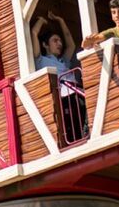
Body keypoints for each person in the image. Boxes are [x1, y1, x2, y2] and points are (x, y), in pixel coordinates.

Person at [32, 12, 86, 140]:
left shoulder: (63, 61)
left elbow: (71, 45)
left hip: (75, 91)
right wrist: (41, 20)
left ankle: (83, 133)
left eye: (60, 41)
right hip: (62, 96)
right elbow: (34, 33)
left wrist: (61, 20)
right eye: (55, 41)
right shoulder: (41, 60)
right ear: (45, 45)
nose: (59, 43)